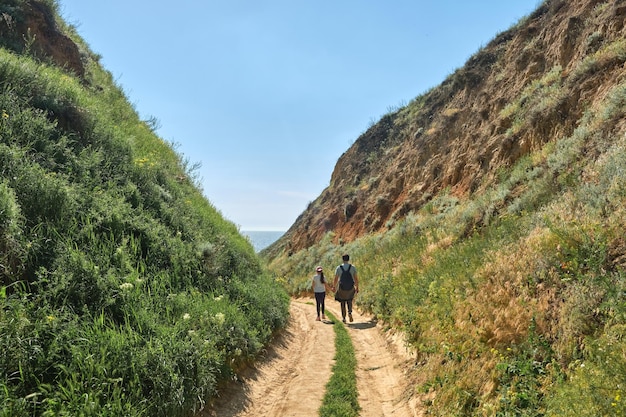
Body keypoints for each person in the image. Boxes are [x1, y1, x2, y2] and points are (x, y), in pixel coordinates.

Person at [332, 254, 359, 323]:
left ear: (342, 259)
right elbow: (356, 279)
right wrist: (357, 287)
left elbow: (336, 279)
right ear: (348, 259)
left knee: (342, 302)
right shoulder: (352, 267)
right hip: (350, 287)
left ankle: (344, 317)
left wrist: (334, 287)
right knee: (349, 300)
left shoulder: (338, 268)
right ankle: (350, 312)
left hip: (342, 288)